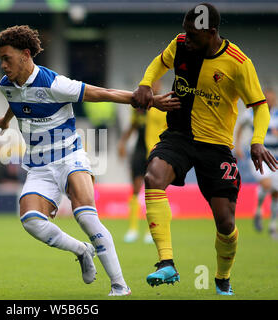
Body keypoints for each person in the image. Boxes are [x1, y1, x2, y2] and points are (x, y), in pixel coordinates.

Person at [0, 25, 180, 296]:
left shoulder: (56, 84)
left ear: (25, 55)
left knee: (86, 217)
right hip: (38, 166)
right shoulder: (6, 86)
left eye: (6, 58)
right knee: (31, 220)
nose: (2, 64)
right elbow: (17, 98)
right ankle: (81, 250)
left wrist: (148, 102)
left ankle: (119, 286)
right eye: (0, 58)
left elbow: (105, 93)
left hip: (70, 157)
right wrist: (6, 120)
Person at [131, 3, 278, 295]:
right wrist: (146, 83)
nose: (187, 38)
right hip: (179, 135)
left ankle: (223, 276)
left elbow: (260, 107)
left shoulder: (238, 63)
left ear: (212, 33)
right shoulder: (182, 43)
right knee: (153, 178)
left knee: (225, 222)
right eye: (185, 32)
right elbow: (160, 61)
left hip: (216, 146)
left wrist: (257, 140)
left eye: (193, 35)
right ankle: (165, 262)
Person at [118, 80, 166, 244]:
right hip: (139, 151)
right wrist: (122, 143)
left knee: (154, 191)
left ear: (160, 86)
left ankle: (150, 231)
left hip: (155, 150)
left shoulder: (163, 107)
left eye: (157, 84)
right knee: (136, 188)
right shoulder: (139, 108)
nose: (154, 86)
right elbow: (133, 126)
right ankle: (132, 229)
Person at [235, 89, 278, 239]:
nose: (269, 100)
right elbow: (240, 126)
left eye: (272, 98)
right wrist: (238, 145)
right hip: (258, 156)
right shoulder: (252, 113)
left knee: (276, 193)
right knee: (267, 184)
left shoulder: (277, 115)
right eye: (267, 98)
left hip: (275, 157)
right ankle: (259, 209)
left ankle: (273, 225)